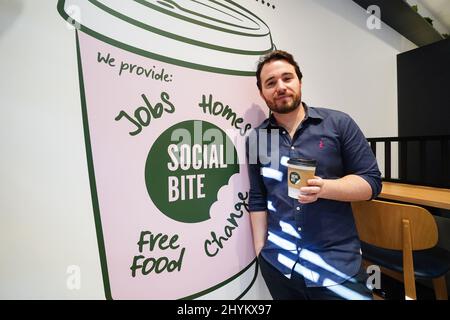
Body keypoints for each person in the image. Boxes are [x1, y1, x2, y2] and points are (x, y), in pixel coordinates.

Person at [246, 50, 382, 300]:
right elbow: (257, 198)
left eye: (287, 78)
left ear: (300, 81)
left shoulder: (339, 124)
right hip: (280, 265)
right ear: (262, 92)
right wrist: (260, 250)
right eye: (271, 82)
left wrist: (325, 188)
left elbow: (372, 183)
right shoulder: (256, 138)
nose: (281, 87)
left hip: (337, 266)